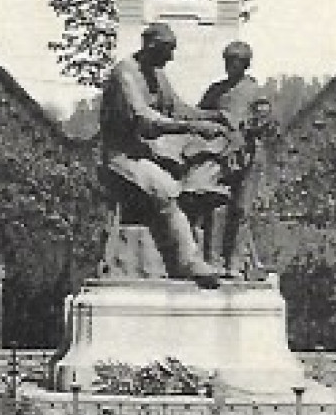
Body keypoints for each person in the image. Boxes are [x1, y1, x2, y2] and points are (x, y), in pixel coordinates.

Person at [98, 23, 230, 285]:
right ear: (150, 46)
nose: (171, 58)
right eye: (167, 51)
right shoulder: (125, 73)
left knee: (199, 170)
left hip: (148, 153)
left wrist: (212, 116)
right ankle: (188, 261)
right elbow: (146, 120)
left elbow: (177, 109)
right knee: (167, 190)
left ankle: (211, 252)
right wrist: (193, 127)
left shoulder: (157, 74)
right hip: (122, 157)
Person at [191, 41, 274, 276]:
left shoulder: (256, 92)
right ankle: (213, 260)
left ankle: (235, 262)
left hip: (248, 158)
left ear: (245, 64)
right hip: (220, 157)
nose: (230, 67)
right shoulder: (216, 91)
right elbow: (199, 115)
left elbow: (264, 123)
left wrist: (249, 129)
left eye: (236, 62)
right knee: (216, 207)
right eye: (227, 62)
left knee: (241, 209)